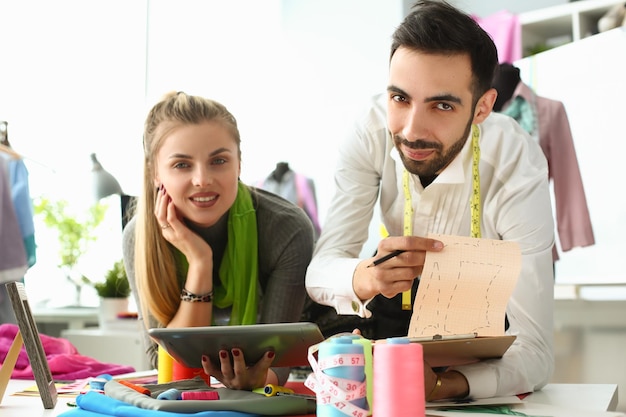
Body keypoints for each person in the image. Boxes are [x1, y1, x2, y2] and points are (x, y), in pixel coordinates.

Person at [306, 0, 554, 402]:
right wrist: (364, 276)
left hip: (486, 335)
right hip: (390, 321)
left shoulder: (515, 162)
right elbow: (319, 272)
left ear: (483, 108)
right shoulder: (370, 131)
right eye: (400, 99)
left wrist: (444, 386)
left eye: (442, 105)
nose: (411, 130)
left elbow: (537, 353)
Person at [123, 91, 315, 390]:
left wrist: (257, 377)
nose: (202, 179)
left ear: (239, 164)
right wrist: (199, 262)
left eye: (219, 160)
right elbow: (167, 364)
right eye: (182, 165)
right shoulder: (139, 236)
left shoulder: (286, 229)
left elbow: (276, 364)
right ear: (154, 173)